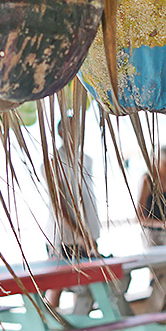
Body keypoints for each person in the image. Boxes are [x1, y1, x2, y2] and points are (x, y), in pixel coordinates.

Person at [43, 116, 101, 309]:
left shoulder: (86, 160)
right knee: (57, 284)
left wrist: (88, 235)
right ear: (61, 133)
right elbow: (59, 206)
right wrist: (79, 235)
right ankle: (48, 325)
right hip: (64, 236)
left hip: (87, 231)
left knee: (84, 284)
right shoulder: (53, 163)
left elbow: (86, 198)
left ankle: (80, 321)